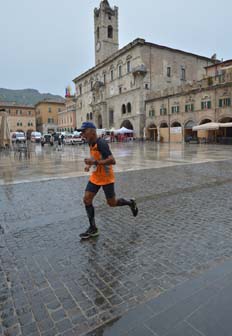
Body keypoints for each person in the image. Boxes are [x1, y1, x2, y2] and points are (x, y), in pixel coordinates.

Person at [77, 121, 138, 239]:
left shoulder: (102, 143)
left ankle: (130, 203)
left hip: (106, 178)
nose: (82, 134)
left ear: (91, 131)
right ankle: (93, 229)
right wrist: (89, 165)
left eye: (84, 132)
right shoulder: (90, 143)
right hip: (95, 177)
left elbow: (112, 160)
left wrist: (94, 162)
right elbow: (94, 157)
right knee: (87, 199)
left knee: (112, 203)